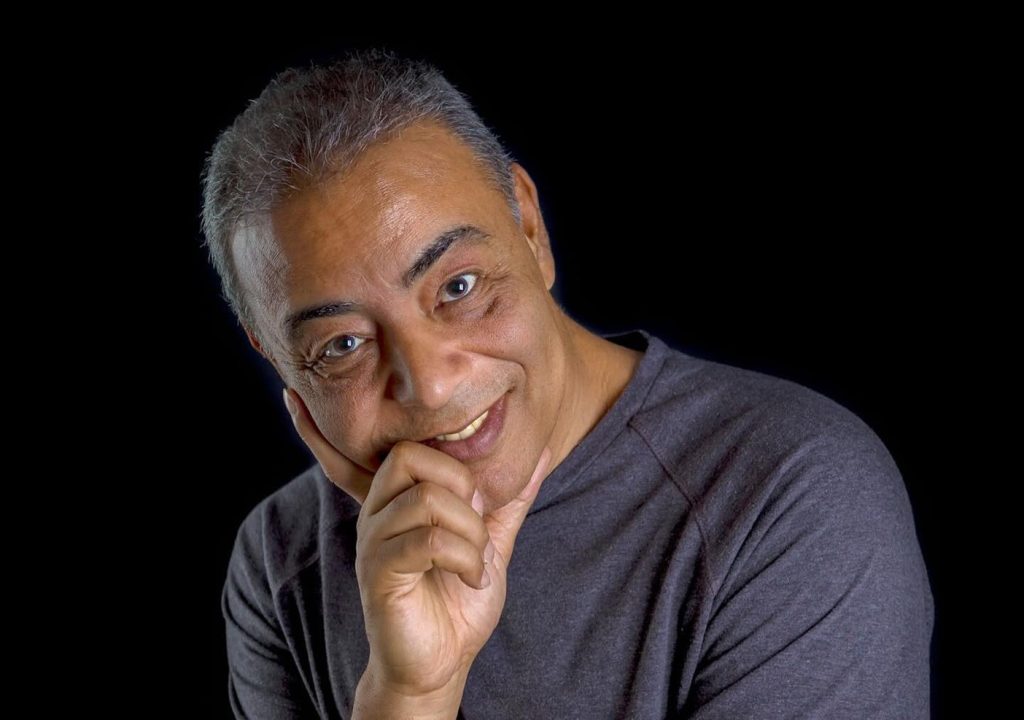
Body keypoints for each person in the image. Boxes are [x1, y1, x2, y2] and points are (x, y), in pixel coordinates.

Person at [201, 48, 934, 719]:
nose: (429, 386)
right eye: (344, 345)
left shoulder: (789, 492)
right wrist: (410, 693)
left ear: (529, 227)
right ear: (276, 360)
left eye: (457, 286)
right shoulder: (281, 562)